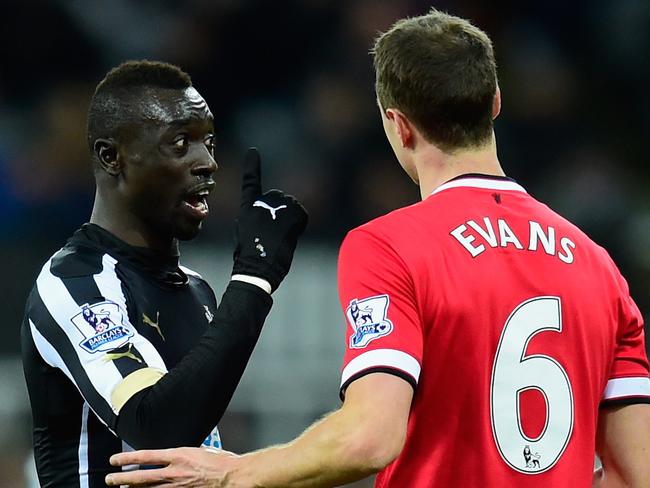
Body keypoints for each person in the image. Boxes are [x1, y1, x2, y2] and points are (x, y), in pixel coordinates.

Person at [106, 10, 650, 488]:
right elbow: (634, 474)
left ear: (398, 123)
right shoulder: (597, 265)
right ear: (495, 103)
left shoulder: (390, 247)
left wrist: (234, 472)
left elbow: (370, 437)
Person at [21, 60, 308, 487]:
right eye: (180, 143)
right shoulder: (76, 284)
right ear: (111, 156)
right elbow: (154, 427)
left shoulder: (196, 291)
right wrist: (253, 279)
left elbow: (195, 449)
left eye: (208, 141)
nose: (208, 162)